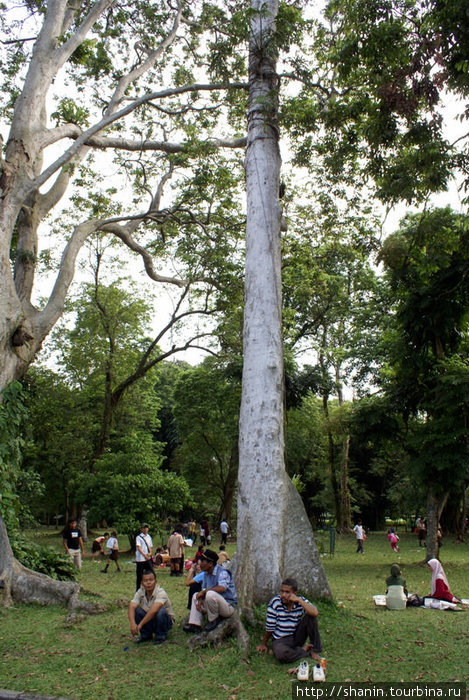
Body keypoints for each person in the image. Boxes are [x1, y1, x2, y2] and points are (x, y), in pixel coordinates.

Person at [256, 577, 322, 663]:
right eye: (282, 591)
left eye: (287, 592)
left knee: (311, 617)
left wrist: (299, 601)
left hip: (296, 636)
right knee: (281, 654)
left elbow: (315, 613)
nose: (283, 595)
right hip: (280, 640)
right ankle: (304, 651)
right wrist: (263, 644)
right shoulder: (275, 603)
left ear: (295, 593)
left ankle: (314, 649)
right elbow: (270, 628)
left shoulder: (300, 601)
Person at [183, 549, 237, 634]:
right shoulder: (206, 574)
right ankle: (195, 624)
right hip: (213, 604)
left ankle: (212, 621)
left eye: (203, 561)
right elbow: (203, 589)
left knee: (210, 594)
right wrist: (200, 600)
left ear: (210, 564)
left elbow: (222, 588)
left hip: (227, 606)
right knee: (195, 596)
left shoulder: (223, 572)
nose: (200, 563)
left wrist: (205, 592)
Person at [128, 569, 174, 645]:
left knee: (160, 611)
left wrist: (140, 625)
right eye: (145, 581)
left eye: (151, 580)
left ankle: (161, 636)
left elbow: (154, 610)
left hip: (164, 621)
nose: (148, 582)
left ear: (155, 582)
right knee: (137, 610)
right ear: (142, 583)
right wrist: (132, 624)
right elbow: (132, 605)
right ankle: (146, 635)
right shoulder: (140, 591)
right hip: (149, 620)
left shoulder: (161, 592)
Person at [135, 523, 153, 590]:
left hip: (147, 558)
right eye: (144, 528)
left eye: (146, 528)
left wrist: (150, 553)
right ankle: (138, 588)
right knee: (139, 575)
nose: (145, 529)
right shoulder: (138, 537)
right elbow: (139, 547)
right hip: (140, 559)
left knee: (151, 572)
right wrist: (144, 555)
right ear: (142, 529)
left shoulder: (149, 537)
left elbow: (150, 546)